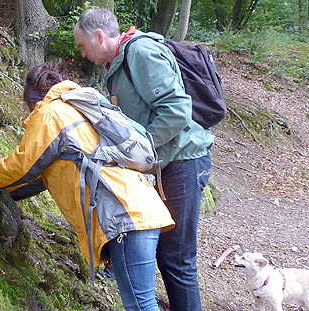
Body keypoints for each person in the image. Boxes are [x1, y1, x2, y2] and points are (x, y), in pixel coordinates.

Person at [0, 64, 174, 311]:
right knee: (142, 302)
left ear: (31, 98)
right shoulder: (80, 106)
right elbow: (39, 176)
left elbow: (23, 165)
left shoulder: (50, 114)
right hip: (140, 206)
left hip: (124, 216)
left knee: (140, 305)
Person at [74, 8, 215, 311]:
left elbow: (176, 110)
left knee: (177, 258)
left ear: (99, 36)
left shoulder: (140, 52)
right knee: (167, 254)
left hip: (184, 162)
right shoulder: (118, 63)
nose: (83, 55)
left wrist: (138, 150)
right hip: (166, 165)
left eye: (83, 46)